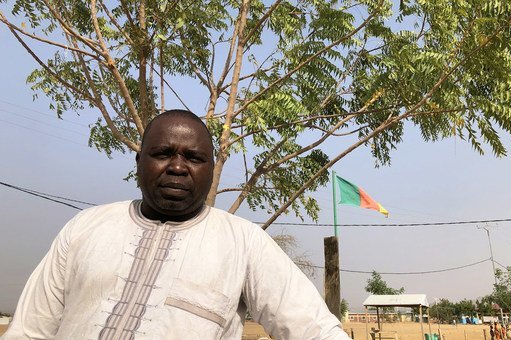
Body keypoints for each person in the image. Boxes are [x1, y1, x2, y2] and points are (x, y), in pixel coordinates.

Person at [2, 110, 348, 339]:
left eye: (194, 158)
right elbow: (31, 330)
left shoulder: (243, 243)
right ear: (139, 161)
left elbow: (315, 330)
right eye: (163, 153)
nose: (178, 167)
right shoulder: (86, 227)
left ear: (211, 170)